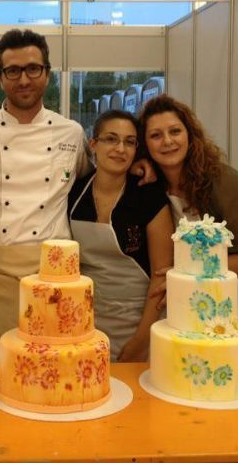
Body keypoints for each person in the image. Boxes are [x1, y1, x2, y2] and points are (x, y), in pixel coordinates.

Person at [0, 28, 92, 364]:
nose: (24, 80)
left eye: (33, 69)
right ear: (0, 77)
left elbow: (89, 186)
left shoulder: (72, 133)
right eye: (12, 71)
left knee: (55, 371)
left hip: (56, 275)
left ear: (47, 73)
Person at [138, 94, 238, 333]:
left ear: (190, 135)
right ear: (145, 144)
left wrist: (185, 274)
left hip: (232, 301)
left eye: (175, 131)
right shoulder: (151, 186)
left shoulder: (223, 182)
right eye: (155, 135)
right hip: (184, 303)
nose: (167, 141)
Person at [68, 110, 174, 362]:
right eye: (111, 139)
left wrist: (142, 339)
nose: (120, 149)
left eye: (129, 142)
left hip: (140, 320)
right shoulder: (74, 193)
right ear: (93, 144)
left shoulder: (149, 197)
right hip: (86, 322)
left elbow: (161, 276)